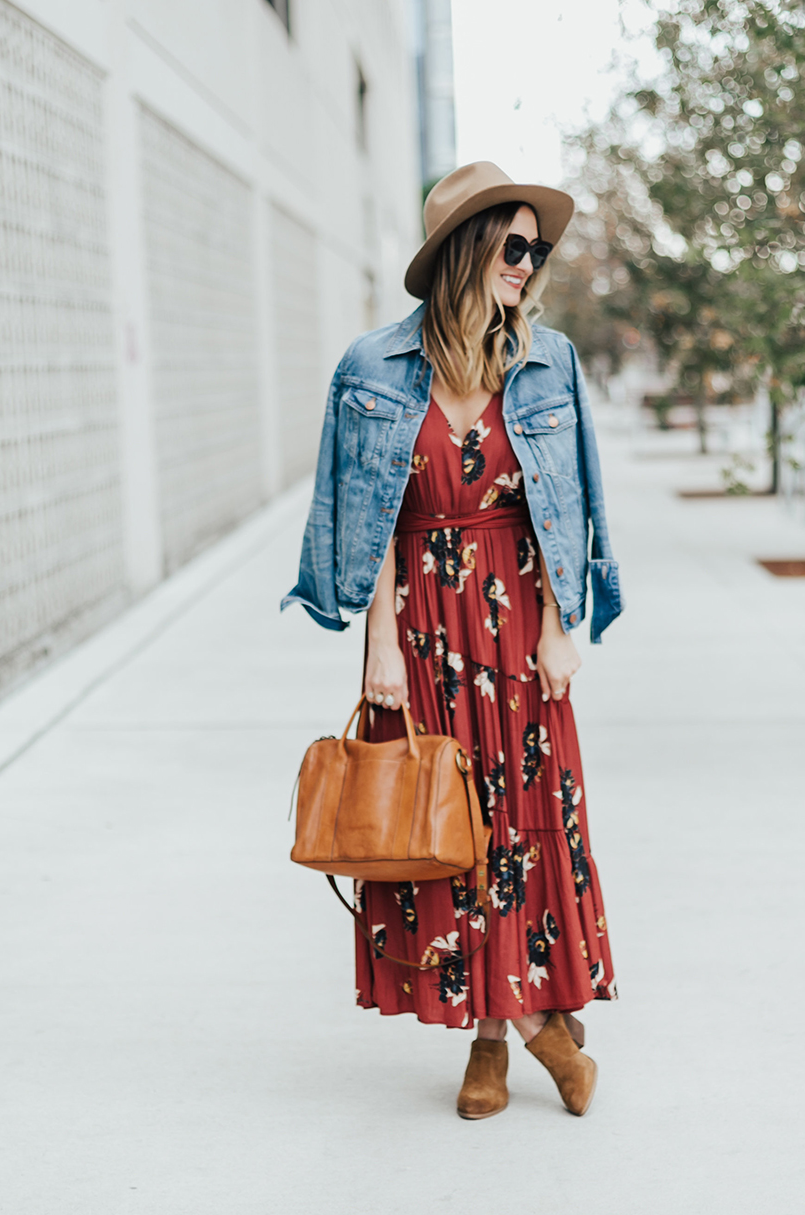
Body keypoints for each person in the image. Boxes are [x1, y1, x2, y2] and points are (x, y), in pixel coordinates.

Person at [282, 161, 622, 1119]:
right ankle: (530, 1035)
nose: (528, 263)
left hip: (519, 623)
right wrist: (379, 644)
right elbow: (369, 517)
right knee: (450, 833)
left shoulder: (549, 360)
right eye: (514, 244)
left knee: (523, 830)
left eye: (537, 247)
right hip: (426, 628)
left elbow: (577, 507)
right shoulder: (372, 369)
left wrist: (563, 627)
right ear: (466, 250)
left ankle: (504, 1037)